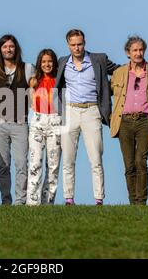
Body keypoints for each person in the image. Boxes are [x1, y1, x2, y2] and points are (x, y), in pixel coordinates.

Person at [55, 29, 119, 206]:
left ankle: (99, 199)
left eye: (80, 44)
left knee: (96, 158)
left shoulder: (98, 59)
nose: (77, 48)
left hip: (92, 111)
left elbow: (120, 71)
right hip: (70, 111)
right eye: (73, 45)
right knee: (68, 158)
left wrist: (145, 66)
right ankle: (69, 198)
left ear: (85, 43)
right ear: (68, 45)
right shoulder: (62, 62)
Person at [110, 36, 148, 205]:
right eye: (135, 50)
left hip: (145, 121)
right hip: (124, 122)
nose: (138, 53)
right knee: (129, 164)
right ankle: (133, 201)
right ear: (128, 53)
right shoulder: (118, 74)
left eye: (141, 50)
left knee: (141, 161)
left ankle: (141, 201)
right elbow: (106, 93)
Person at [0, 34, 34, 205]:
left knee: (22, 163)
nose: (8, 50)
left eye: (11, 46)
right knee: (3, 165)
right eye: (5, 47)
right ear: (0, 50)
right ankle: (6, 200)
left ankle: (20, 201)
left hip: (20, 123)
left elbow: (39, 87)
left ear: (16, 49)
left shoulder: (28, 68)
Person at [26, 49, 62, 205]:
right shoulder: (33, 81)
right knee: (35, 164)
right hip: (38, 122)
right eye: (44, 62)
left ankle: (48, 202)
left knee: (53, 166)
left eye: (50, 61)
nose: (47, 64)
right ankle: (32, 203)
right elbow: (29, 103)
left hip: (56, 122)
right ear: (39, 63)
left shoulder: (60, 80)